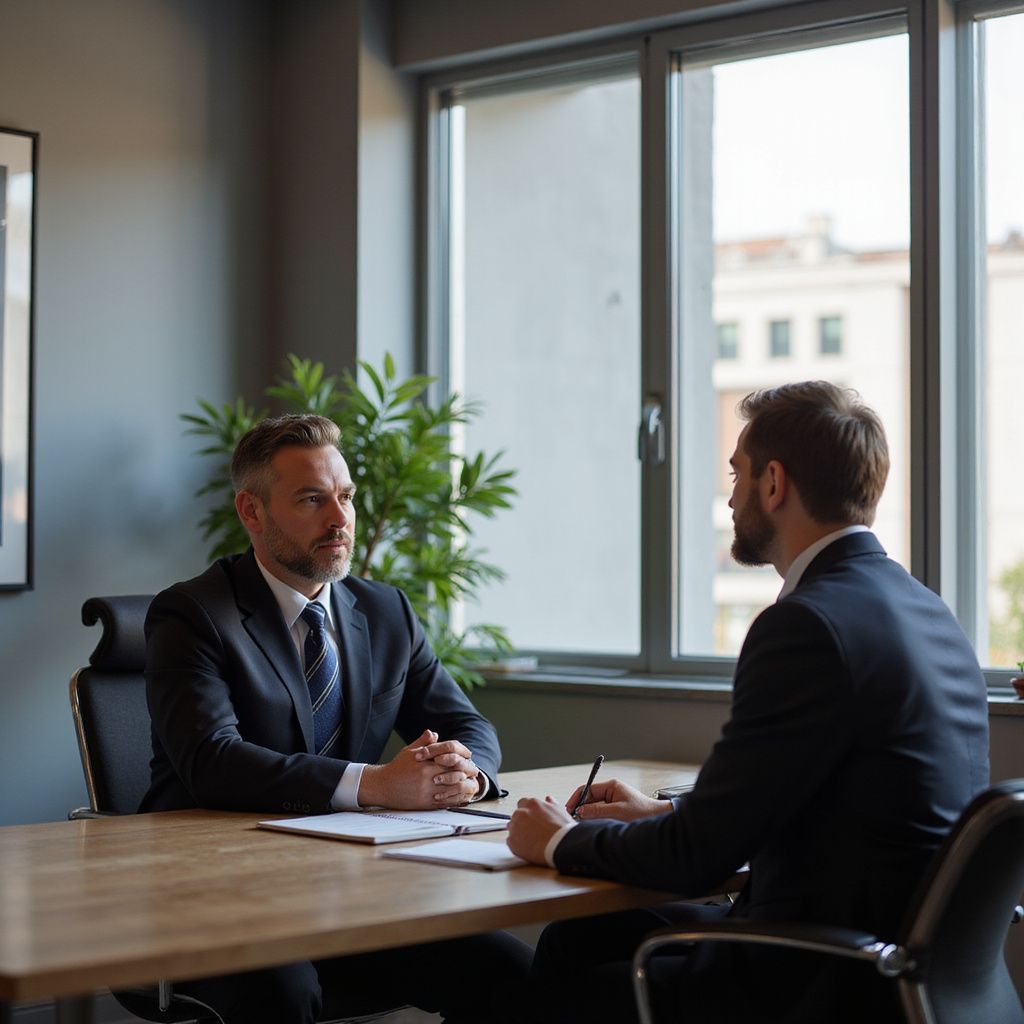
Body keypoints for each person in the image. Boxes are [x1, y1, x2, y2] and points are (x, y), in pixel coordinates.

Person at [507, 381, 990, 1024]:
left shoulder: (808, 624)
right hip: (900, 962)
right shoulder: (928, 612)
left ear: (774, 483)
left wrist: (559, 842)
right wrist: (659, 814)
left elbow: (694, 860)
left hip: (820, 981)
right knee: (581, 936)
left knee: (557, 997)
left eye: (736, 473)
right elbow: (830, 806)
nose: (730, 495)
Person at [140, 413, 530, 1023]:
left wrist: (466, 774)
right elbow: (211, 762)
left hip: (350, 895)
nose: (340, 519)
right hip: (219, 895)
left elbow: (468, 725)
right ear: (252, 512)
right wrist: (377, 784)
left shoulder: (385, 612)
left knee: (514, 976)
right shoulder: (193, 614)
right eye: (312, 499)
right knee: (282, 993)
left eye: (345, 496)